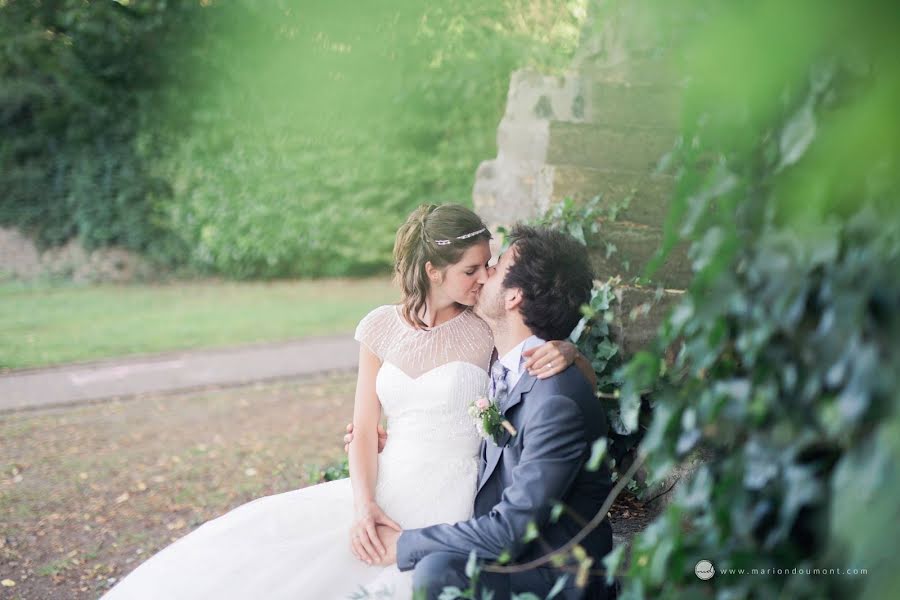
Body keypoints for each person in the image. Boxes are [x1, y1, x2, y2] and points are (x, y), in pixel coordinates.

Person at [102, 204, 592, 600]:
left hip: (455, 490)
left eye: (489, 267)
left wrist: (569, 351)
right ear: (433, 271)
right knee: (280, 550)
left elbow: (534, 359)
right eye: (472, 269)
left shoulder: (485, 328)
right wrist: (364, 504)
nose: (483, 277)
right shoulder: (380, 326)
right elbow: (362, 428)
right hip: (384, 478)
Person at [347, 224, 616, 599]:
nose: (484, 275)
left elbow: (509, 530)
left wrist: (402, 545)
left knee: (434, 570)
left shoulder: (555, 396)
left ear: (513, 297)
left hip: (549, 573)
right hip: (458, 507)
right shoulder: (508, 367)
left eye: (496, 266)